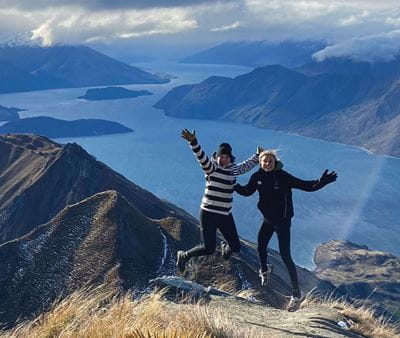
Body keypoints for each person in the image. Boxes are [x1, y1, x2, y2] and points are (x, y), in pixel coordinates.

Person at [234, 150, 337, 312]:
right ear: (260, 162)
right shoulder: (257, 177)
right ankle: (264, 270)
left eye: (270, 161)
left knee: (285, 256)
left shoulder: (282, 176)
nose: (267, 164)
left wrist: (321, 182)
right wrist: (234, 185)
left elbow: (306, 186)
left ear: (275, 162)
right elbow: (247, 191)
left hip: (282, 222)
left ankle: (296, 294)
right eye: (264, 161)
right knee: (261, 247)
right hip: (268, 220)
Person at [176, 128, 264, 273]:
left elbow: (246, 166)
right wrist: (193, 142)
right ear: (216, 157)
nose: (223, 159)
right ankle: (184, 255)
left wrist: (257, 156)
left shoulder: (234, 170)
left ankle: (225, 248)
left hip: (225, 214)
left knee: (235, 247)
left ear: (230, 158)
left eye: (227, 157)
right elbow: (201, 157)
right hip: (208, 213)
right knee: (208, 248)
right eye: (221, 156)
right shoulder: (210, 168)